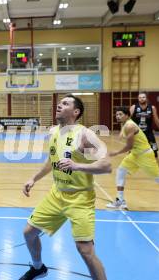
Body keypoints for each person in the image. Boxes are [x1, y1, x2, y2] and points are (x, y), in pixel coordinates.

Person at [19, 95, 111, 280]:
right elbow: (51, 161)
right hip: (57, 194)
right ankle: (38, 268)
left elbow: (106, 166)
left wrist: (78, 165)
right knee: (29, 233)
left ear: (76, 112)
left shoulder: (85, 135)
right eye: (60, 102)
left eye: (65, 103)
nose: (59, 105)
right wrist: (33, 178)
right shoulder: (53, 131)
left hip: (80, 198)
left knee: (85, 250)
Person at [107, 106, 159, 209]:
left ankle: (120, 201)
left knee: (158, 179)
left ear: (127, 115)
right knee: (120, 171)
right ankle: (120, 201)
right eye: (117, 114)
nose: (118, 116)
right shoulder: (125, 125)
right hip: (135, 154)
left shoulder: (129, 126)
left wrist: (116, 152)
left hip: (144, 155)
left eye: (120, 114)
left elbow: (129, 146)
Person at [130, 92, 159, 164]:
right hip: (137, 134)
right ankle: (127, 169)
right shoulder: (133, 107)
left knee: (155, 152)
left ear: (146, 98)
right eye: (140, 97)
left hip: (149, 134)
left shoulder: (152, 108)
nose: (141, 99)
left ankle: (158, 171)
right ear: (138, 99)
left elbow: (156, 120)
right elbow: (127, 120)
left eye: (143, 97)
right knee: (131, 153)